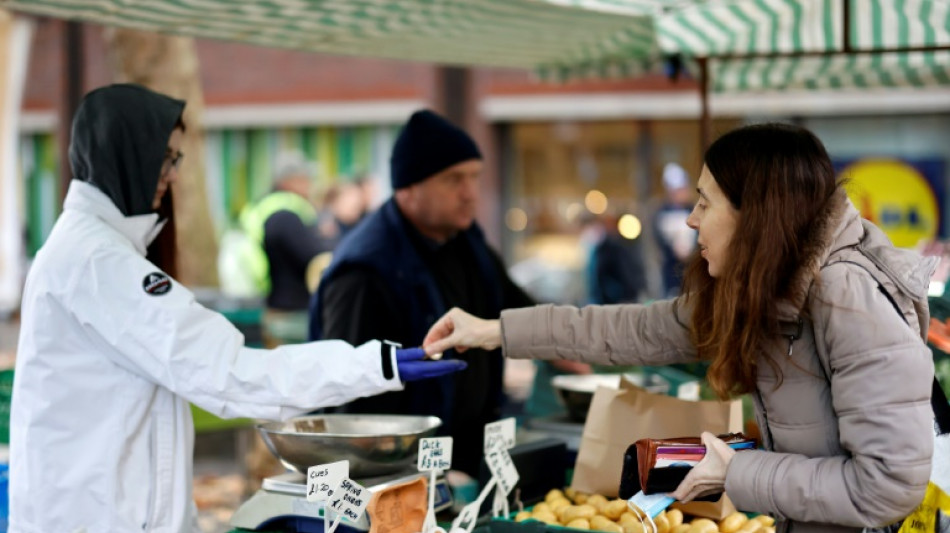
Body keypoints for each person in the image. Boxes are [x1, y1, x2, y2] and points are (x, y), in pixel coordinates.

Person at [422, 123, 935, 533]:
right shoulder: (766, 286)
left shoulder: (846, 296)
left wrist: (736, 473)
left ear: (756, 215)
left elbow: (889, 486)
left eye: (706, 202)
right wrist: (496, 331)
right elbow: (632, 330)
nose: (691, 219)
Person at [10, 84, 465, 533]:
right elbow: (229, 373)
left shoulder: (92, 249)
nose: (172, 174)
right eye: (166, 158)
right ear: (127, 155)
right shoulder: (99, 262)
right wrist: (377, 364)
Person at [309, 109, 533, 477]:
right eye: (453, 180)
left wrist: (562, 345)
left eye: (475, 177)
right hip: (399, 473)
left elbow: (515, 302)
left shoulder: (466, 240)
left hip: (469, 456)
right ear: (408, 188)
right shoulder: (365, 269)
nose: (470, 194)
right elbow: (346, 399)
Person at [239, 152, 324, 345]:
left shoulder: (267, 207)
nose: (309, 184)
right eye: (304, 178)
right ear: (288, 182)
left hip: (276, 306)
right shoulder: (285, 214)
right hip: (289, 313)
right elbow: (311, 256)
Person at [654, 162, 697, 297]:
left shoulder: (693, 209)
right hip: (671, 270)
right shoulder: (661, 212)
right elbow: (659, 239)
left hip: (692, 269)